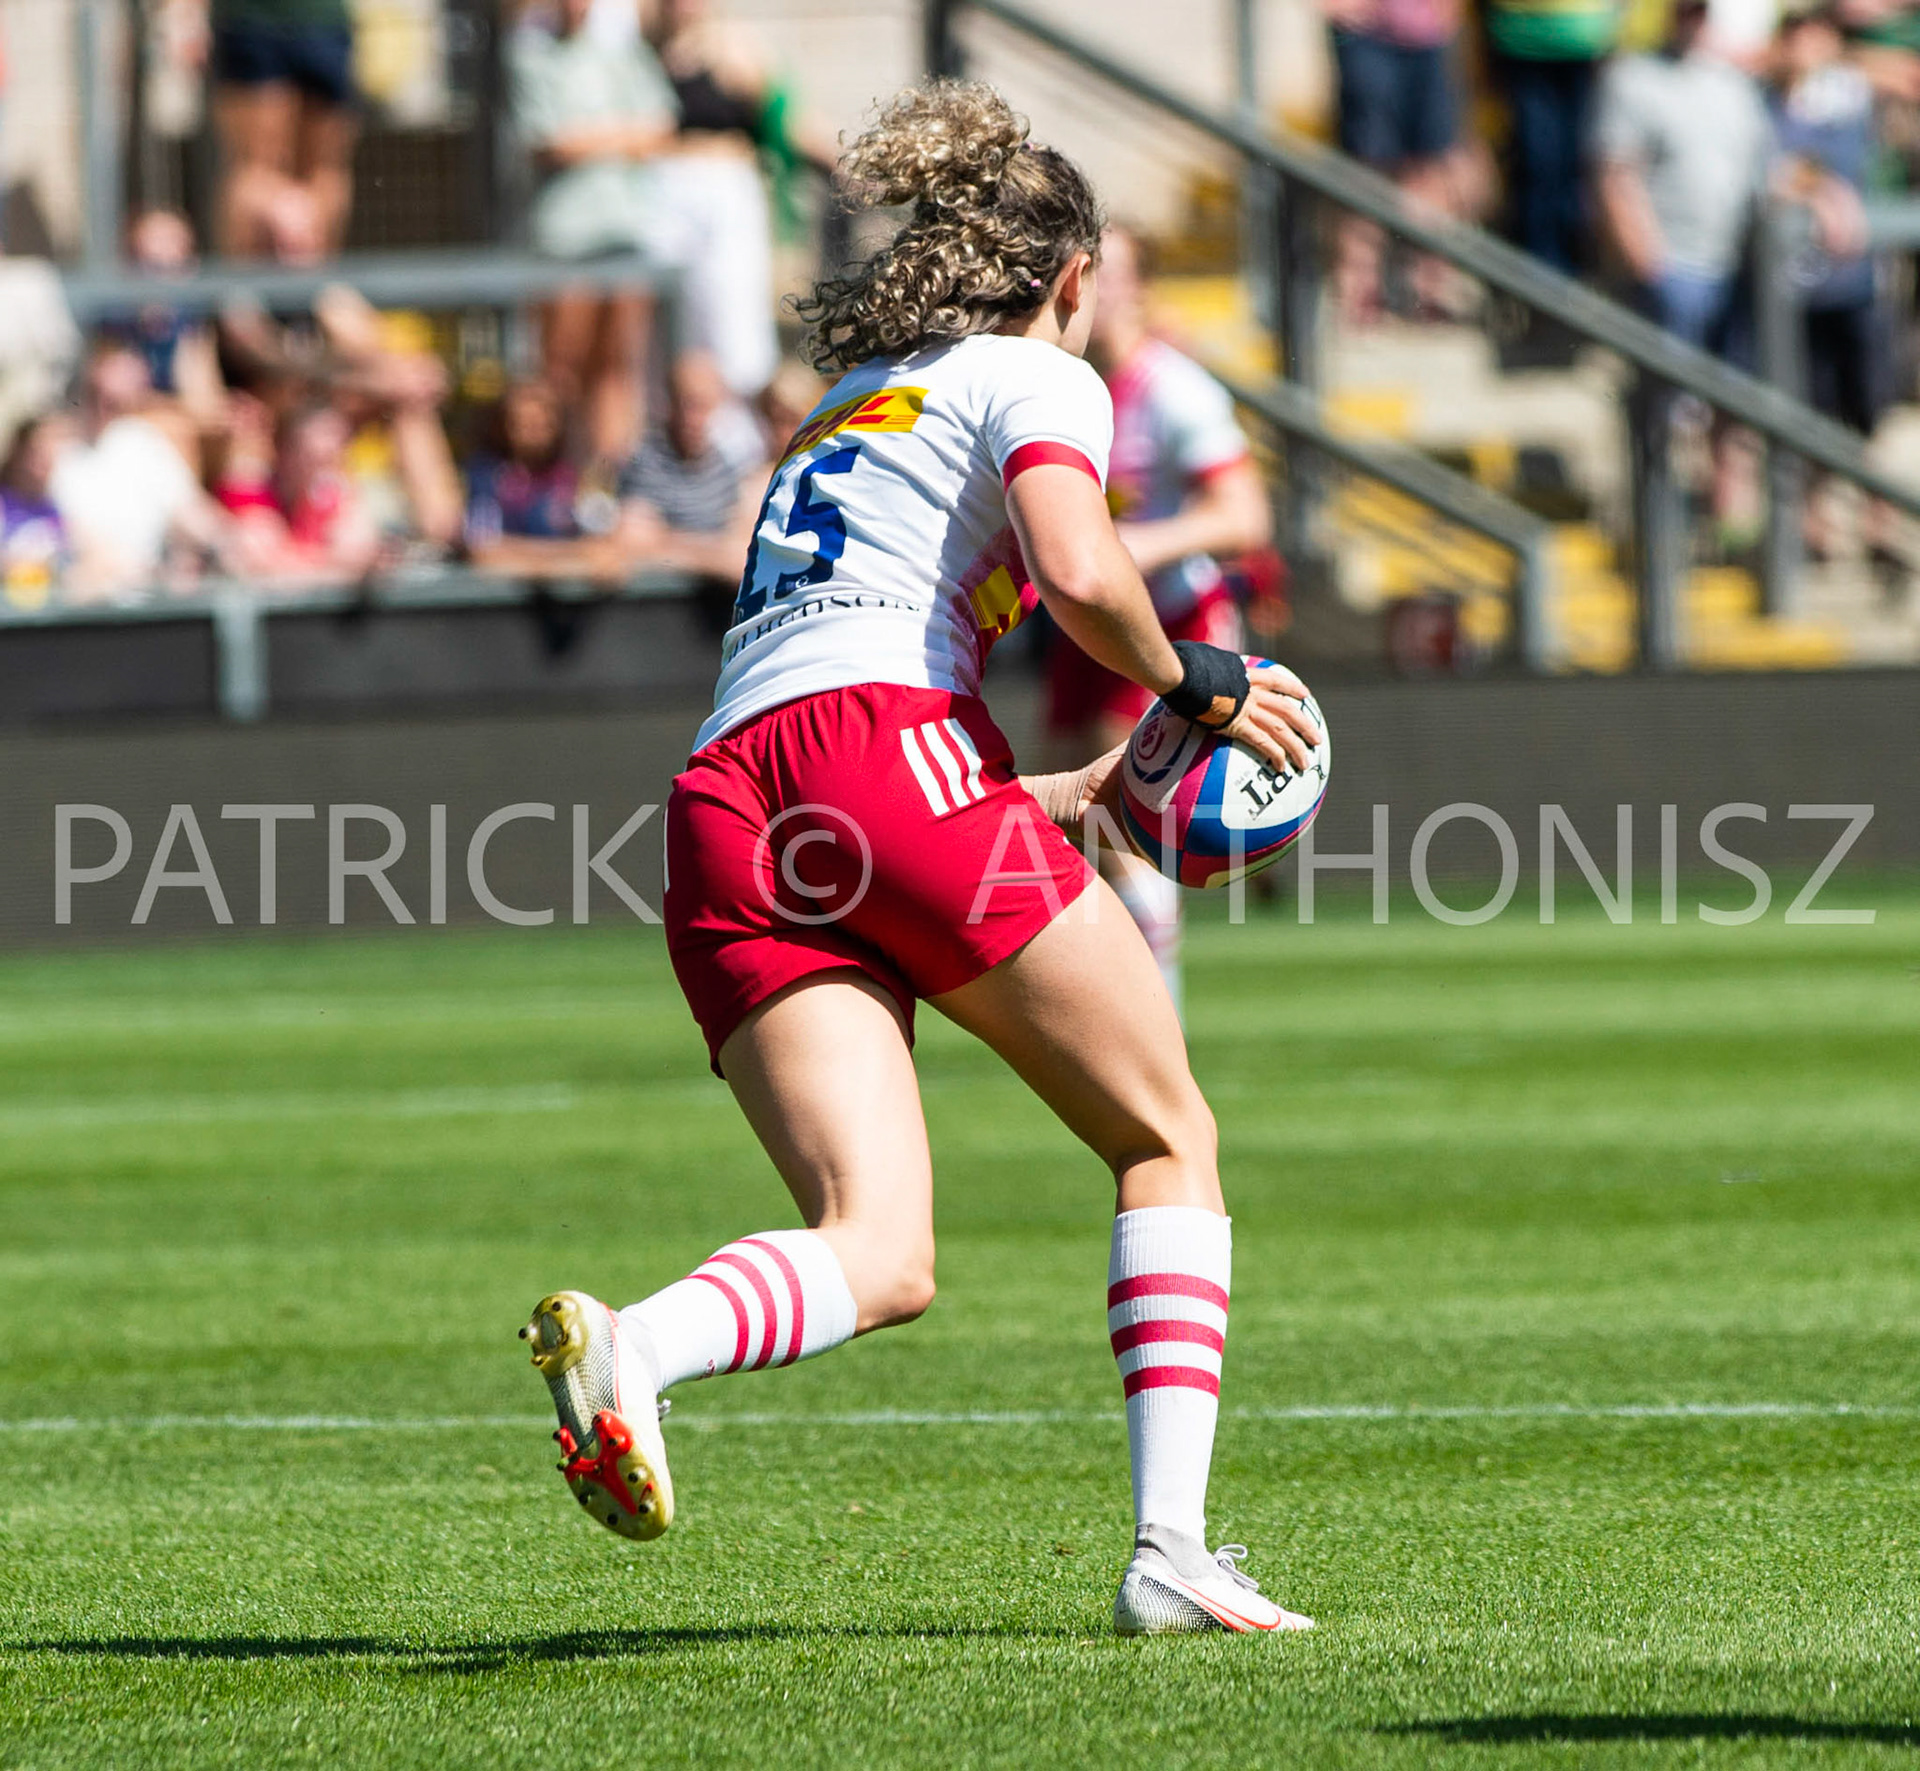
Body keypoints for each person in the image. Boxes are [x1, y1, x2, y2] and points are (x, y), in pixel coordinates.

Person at [516, 80, 1325, 1637]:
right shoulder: (1039, 373)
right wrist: (1195, 684)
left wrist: (1068, 787)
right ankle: (1171, 1549)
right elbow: (1082, 574)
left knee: (879, 1251)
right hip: (886, 760)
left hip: (727, 805)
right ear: (1070, 276)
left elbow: (833, 726)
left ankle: (640, 1345)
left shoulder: (845, 410)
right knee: (1168, 1136)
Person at [1047, 227, 1272, 1016]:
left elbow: (1246, 514)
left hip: (1172, 620)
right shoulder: (1064, 387)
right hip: (1090, 619)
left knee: (1120, 819)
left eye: (1111, 275)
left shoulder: (1175, 389)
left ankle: (1156, 1022)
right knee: (1067, 821)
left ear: (1136, 286)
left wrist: (1142, 542)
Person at [1594, 0, 1775, 537]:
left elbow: (1767, 169)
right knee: (1662, 406)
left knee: (1735, 404)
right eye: (1685, 10)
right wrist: (1652, 266)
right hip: (1670, 272)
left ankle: (1725, 514)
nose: (1693, 20)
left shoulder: (1735, 84)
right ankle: (1652, 513)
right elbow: (1614, 175)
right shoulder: (1632, 79)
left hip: (1734, 270)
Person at [510, 0, 677, 466]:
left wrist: (592, 139)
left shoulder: (622, 53)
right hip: (565, 236)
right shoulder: (530, 56)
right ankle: (561, 471)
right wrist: (624, 136)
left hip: (624, 227)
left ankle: (610, 474)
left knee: (619, 363)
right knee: (562, 365)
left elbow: (662, 129)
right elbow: (549, 143)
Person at [642, 0, 833, 401]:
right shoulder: (647, 50)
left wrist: (842, 161)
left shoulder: (736, 48)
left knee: (735, 320)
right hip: (662, 195)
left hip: (724, 190)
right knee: (673, 325)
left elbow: (786, 119)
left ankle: (747, 419)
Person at [49, 344, 231, 599]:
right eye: (95, 395)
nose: (103, 407)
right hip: (88, 594)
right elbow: (66, 533)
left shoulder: (141, 440)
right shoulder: (55, 453)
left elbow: (188, 510)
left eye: (115, 401)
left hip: (154, 590)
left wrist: (227, 543)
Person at [187, 0, 359, 261]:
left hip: (325, 22)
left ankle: (316, 282)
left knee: (323, 170)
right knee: (256, 166)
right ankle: (245, 291)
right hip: (250, 21)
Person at [1485, 0, 1620, 272]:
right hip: (1523, 36)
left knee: (1574, 166)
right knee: (1539, 164)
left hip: (1585, 37)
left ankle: (1568, 266)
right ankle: (1542, 274)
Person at [615, 349, 766, 589]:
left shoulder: (728, 464)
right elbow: (634, 543)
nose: (692, 418)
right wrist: (711, 553)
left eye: (703, 405)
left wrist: (672, 543)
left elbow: (741, 555)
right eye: (686, 404)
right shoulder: (644, 461)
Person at [0, 412, 70, 608]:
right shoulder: (4, 504)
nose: (43, 466)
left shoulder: (55, 509)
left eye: (50, 457)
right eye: (37, 456)